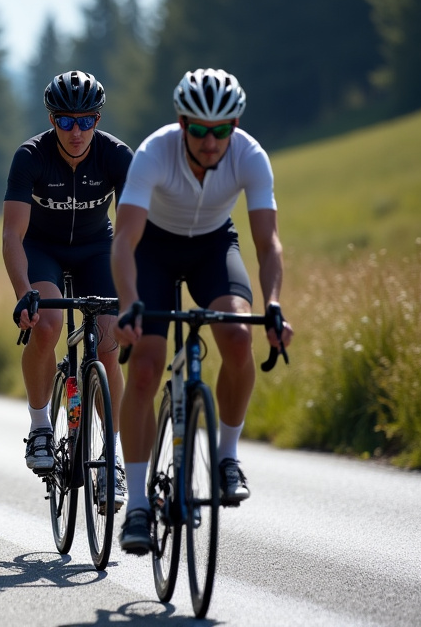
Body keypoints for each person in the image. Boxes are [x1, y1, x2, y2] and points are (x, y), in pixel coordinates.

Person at [112, 68, 294, 554]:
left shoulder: (250, 155)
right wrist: (129, 304)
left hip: (213, 246)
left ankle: (227, 458)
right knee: (147, 369)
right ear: (181, 122)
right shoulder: (154, 152)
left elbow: (267, 242)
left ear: (234, 127)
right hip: (152, 251)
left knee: (237, 336)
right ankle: (135, 507)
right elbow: (125, 239)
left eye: (221, 130)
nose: (210, 142)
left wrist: (273, 304)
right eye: (198, 130)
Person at [4, 70, 132, 510]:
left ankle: (110, 457)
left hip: (98, 249)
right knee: (47, 323)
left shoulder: (116, 155)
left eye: (86, 120)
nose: (76, 131)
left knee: (111, 337)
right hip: (44, 250)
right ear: (51, 119)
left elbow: (136, 232)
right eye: (65, 122)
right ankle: (40, 425)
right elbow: (11, 236)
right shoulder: (30, 157)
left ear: (97, 118)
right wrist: (24, 292)